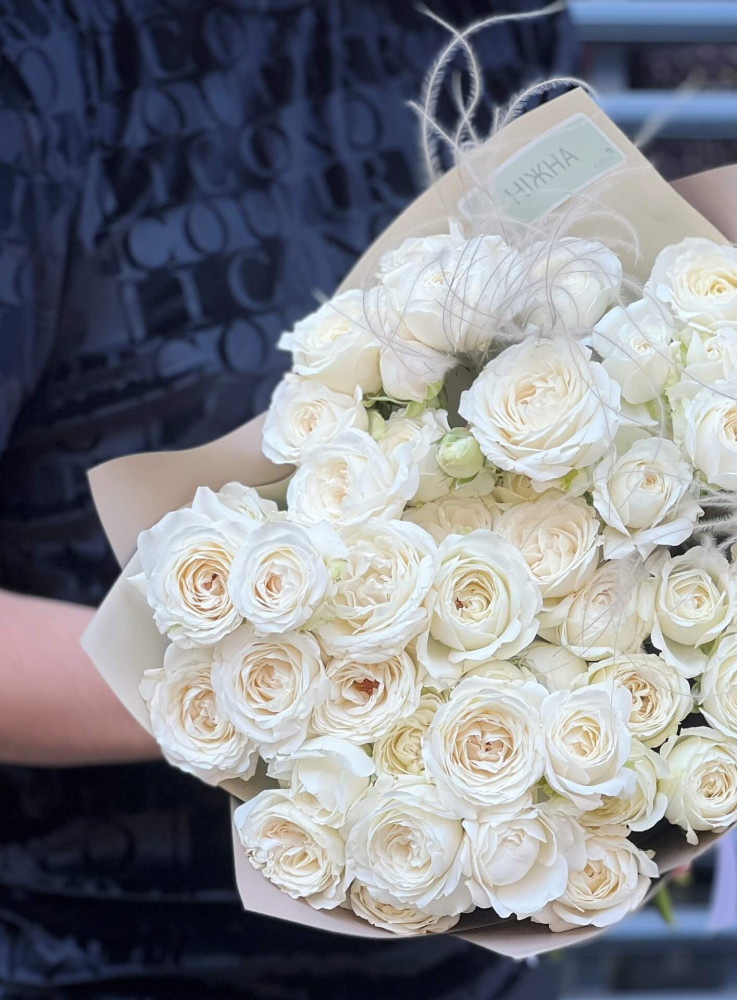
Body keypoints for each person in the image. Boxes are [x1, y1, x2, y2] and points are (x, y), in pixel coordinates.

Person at [0, 1, 576, 996]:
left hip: (466, 953)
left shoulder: (493, 26)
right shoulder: (38, 55)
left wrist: (649, 726)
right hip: (94, 948)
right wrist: (303, 689)